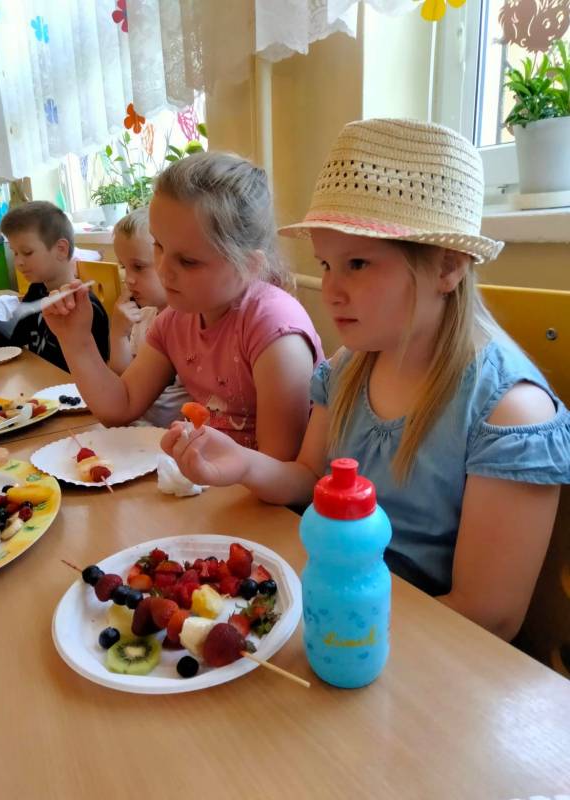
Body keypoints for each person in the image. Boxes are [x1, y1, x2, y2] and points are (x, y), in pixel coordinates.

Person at [163, 119, 570, 641]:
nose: (331, 291)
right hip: (331, 601)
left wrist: (340, 619)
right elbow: (309, 478)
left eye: (357, 263)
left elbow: (489, 615)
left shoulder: (509, 412)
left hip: (417, 643)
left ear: (447, 268)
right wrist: (244, 464)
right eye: (326, 264)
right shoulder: (350, 366)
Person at [43, 152, 324, 459]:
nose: (163, 269)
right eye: (159, 245)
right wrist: (76, 341)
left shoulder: (274, 331)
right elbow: (121, 407)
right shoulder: (177, 318)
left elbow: (278, 464)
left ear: (249, 266)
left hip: (254, 485)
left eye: (188, 261)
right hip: (208, 476)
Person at [0, 201, 109, 371]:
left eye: (27, 252)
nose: (18, 262)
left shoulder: (84, 306)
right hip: (40, 382)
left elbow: (94, 372)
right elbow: (14, 335)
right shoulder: (37, 291)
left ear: (61, 249)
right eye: (15, 253)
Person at [109, 207, 190, 427]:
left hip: (172, 434)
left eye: (138, 267)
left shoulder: (189, 321)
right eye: (124, 267)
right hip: (138, 428)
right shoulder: (143, 317)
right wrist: (118, 335)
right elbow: (124, 385)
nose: (129, 279)